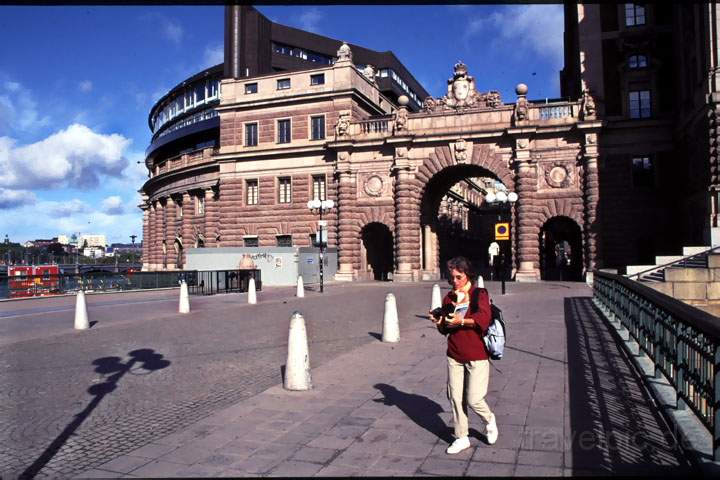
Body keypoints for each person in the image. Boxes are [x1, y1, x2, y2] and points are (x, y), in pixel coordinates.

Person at [429, 256, 498, 454]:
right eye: (452, 278)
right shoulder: (449, 298)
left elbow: (483, 320)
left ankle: (489, 419)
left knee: (474, 398)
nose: (455, 282)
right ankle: (461, 437)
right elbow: (445, 330)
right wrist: (439, 321)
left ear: (468, 275)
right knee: (455, 397)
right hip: (454, 354)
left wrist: (462, 321)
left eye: (459, 277)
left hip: (476, 354)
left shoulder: (479, 294)